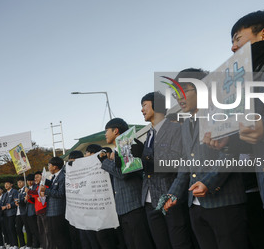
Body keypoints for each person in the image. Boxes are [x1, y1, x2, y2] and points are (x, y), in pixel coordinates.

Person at [204, 10, 264, 249]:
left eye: (237, 38)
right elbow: (255, 138)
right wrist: (230, 142)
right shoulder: (244, 88)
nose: (232, 47)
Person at [162, 68, 249, 249]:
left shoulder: (222, 112)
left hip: (224, 202)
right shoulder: (186, 123)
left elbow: (232, 154)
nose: (179, 97)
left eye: (184, 90)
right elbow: (187, 161)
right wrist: (173, 193)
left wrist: (208, 182)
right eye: (176, 93)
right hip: (196, 205)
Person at [140, 92, 195, 249]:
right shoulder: (149, 135)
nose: (142, 110)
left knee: (180, 243)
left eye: (144, 105)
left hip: (169, 196)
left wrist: (147, 156)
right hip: (150, 201)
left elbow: (177, 161)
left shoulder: (175, 129)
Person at [99, 118, 155, 249]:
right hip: (122, 209)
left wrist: (104, 162)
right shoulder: (116, 152)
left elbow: (122, 174)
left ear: (116, 131)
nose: (105, 134)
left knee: (142, 244)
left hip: (134, 207)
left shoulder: (130, 146)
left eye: (106, 131)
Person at [40, 157, 71, 249]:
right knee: (54, 236)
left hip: (58, 211)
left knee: (60, 237)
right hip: (51, 211)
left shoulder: (62, 176)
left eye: (49, 165)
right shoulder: (55, 177)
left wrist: (46, 190)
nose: (48, 167)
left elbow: (61, 194)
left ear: (55, 166)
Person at [26, 171, 50, 249]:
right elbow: (34, 200)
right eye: (35, 177)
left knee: (47, 231)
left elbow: (38, 192)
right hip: (38, 211)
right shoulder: (36, 186)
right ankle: (43, 246)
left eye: (37, 177)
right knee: (41, 231)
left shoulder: (44, 184)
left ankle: (48, 246)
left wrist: (29, 191)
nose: (35, 179)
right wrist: (29, 199)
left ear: (42, 176)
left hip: (44, 209)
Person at [24, 173, 41, 249]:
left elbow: (35, 197)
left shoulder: (36, 187)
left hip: (34, 211)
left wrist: (29, 196)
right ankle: (35, 244)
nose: (29, 182)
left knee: (36, 229)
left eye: (31, 180)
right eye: (28, 181)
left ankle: (39, 244)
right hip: (28, 211)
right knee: (32, 229)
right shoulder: (26, 188)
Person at [1, 180, 19, 249]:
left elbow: (16, 201)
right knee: (8, 229)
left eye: (7, 184)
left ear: (11, 185)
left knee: (12, 228)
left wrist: (9, 205)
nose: (6, 185)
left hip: (12, 212)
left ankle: (15, 244)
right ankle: (11, 244)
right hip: (5, 214)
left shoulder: (14, 191)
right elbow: (2, 204)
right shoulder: (5, 194)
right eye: (5, 184)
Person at [15, 177, 27, 249]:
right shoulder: (18, 191)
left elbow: (25, 201)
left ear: (24, 182)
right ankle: (22, 244)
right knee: (18, 229)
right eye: (18, 183)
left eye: (20, 182)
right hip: (18, 213)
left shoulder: (26, 190)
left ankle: (30, 244)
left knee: (28, 229)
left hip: (24, 212)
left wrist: (19, 202)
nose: (19, 184)